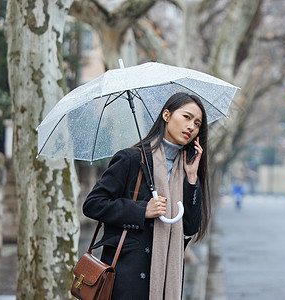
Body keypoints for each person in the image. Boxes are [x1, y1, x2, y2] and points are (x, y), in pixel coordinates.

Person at [83, 92, 210, 300]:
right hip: (126, 279)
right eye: (186, 117)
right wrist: (142, 210)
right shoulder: (131, 158)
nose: (191, 127)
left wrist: (192, 178)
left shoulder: (186, 167)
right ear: (166, 115)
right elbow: (93, 204)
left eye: (197, 124)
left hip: (168, 280)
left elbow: (191, 227)